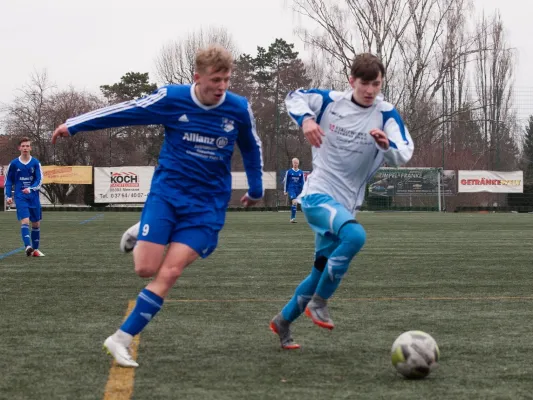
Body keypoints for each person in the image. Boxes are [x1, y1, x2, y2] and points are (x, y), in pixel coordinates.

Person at [52, 45, 264, 367]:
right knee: (145, 269)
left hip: (206, 206)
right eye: (215, 80)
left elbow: (251, 146)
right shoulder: (171, 98)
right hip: (168, 194)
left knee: (170, 271)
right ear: (198, 77)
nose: (222, 86)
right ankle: (143, 231)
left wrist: (257, 186)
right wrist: (76, 124)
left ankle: (120, 339)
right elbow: (127, 110)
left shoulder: (238, 108)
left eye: (226, 80)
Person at [270, 53, 414, 349]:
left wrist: (387, 147)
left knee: (320, 270)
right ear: (352, 81)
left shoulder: (386, 114)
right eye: (364, 84)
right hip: (318, 194)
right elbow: (292, 97)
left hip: (347, 206)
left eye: (376, 84)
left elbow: (404, 151)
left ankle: (283, 322)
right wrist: (306, 119)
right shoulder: (329, 102)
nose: (370, 90)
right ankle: (320, 302)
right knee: (355, 235)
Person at [4, 137, 45, 257]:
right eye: (23, 146)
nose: (25, 148)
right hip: (20, 196)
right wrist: (8, 195)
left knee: (36, 223)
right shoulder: (14, 164)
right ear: (19, 148)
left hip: (33, 197)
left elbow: (39, 179)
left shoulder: (35, 163)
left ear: (30, 148)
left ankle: (35, 250)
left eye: (27, 146)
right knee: (25, 220)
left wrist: (31, 188)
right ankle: (28, 246)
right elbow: (8, 181)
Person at [283, 158, 305, 223]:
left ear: (298, 164)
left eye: (297, 163)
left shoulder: (301, 172)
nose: (295, 164)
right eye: (294, 163)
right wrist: (285, 190)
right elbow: (286, 181)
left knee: (295, 203)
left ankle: (292, 218)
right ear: (292, 163)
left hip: (298, 189)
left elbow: (303, 182)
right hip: (291, 188)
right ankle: (293, 218)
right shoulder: (289, 172)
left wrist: (304, 190)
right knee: (294, 201)